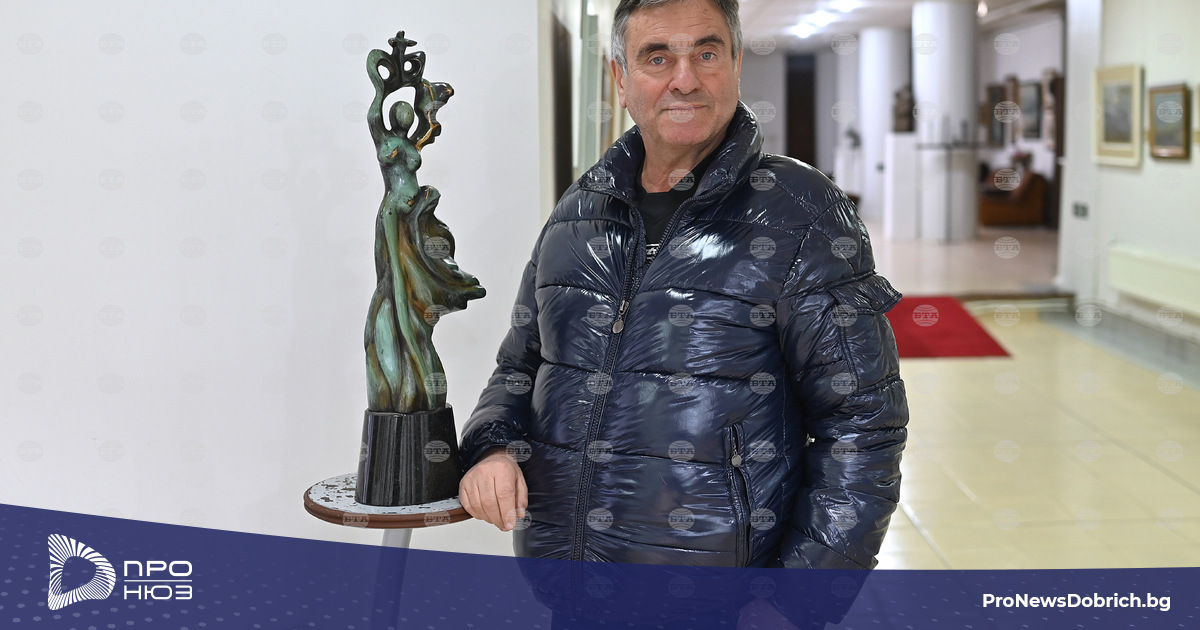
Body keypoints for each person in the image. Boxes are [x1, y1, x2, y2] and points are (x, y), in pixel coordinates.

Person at [458, 0, 907, 574]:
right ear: (621, 78)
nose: (685, 79)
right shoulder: (578, 213)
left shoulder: (800, 210)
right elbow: (519, 366)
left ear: (735, 64)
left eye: (707, 53)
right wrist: (492, 446)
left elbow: (863, 427)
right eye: (657, 58)